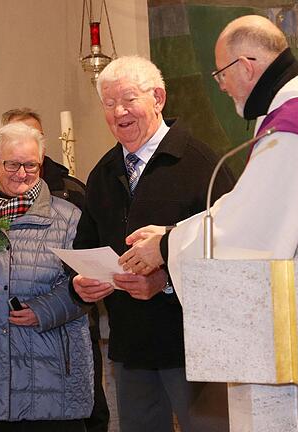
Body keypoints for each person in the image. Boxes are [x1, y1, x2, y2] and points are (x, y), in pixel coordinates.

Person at [119, 15, 298, 284]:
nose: (221, 86)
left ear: (245, 67)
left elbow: (252, 231)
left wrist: (166, 248)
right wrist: (173, 233)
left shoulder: (294, 128)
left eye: (221, 75)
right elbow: (247, 204)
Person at [70, 55, 235, 432]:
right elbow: (85, 246)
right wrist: (81, 284)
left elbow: (230, 250)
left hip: (194, 347)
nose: (119, 112)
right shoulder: (103, 173)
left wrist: (166, 282)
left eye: (129, 99)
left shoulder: (201, 163)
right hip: (131, 349)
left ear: (158, 98)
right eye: (109, 104)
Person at [0, 107, 109, 432]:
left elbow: (87, 274)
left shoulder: (70, 207)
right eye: (12, 163)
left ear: (41, 158)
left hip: (54, 358)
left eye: (30, 163)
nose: (22, 172)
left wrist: (43, 309)